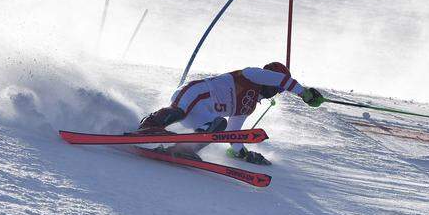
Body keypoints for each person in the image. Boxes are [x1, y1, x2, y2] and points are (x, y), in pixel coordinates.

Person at [137, 62, 324, 165]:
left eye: (278, 90)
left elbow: (234, 135)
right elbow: (280, 79)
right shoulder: (252, 74)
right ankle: (149, 126)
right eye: (276, 87)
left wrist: (243, 154)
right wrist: (303, 93)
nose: (275, 91)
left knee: (219, 127)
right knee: (179, 111)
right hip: (195, 94)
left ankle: (181, 149)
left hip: (203, 113)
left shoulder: (249, 106)